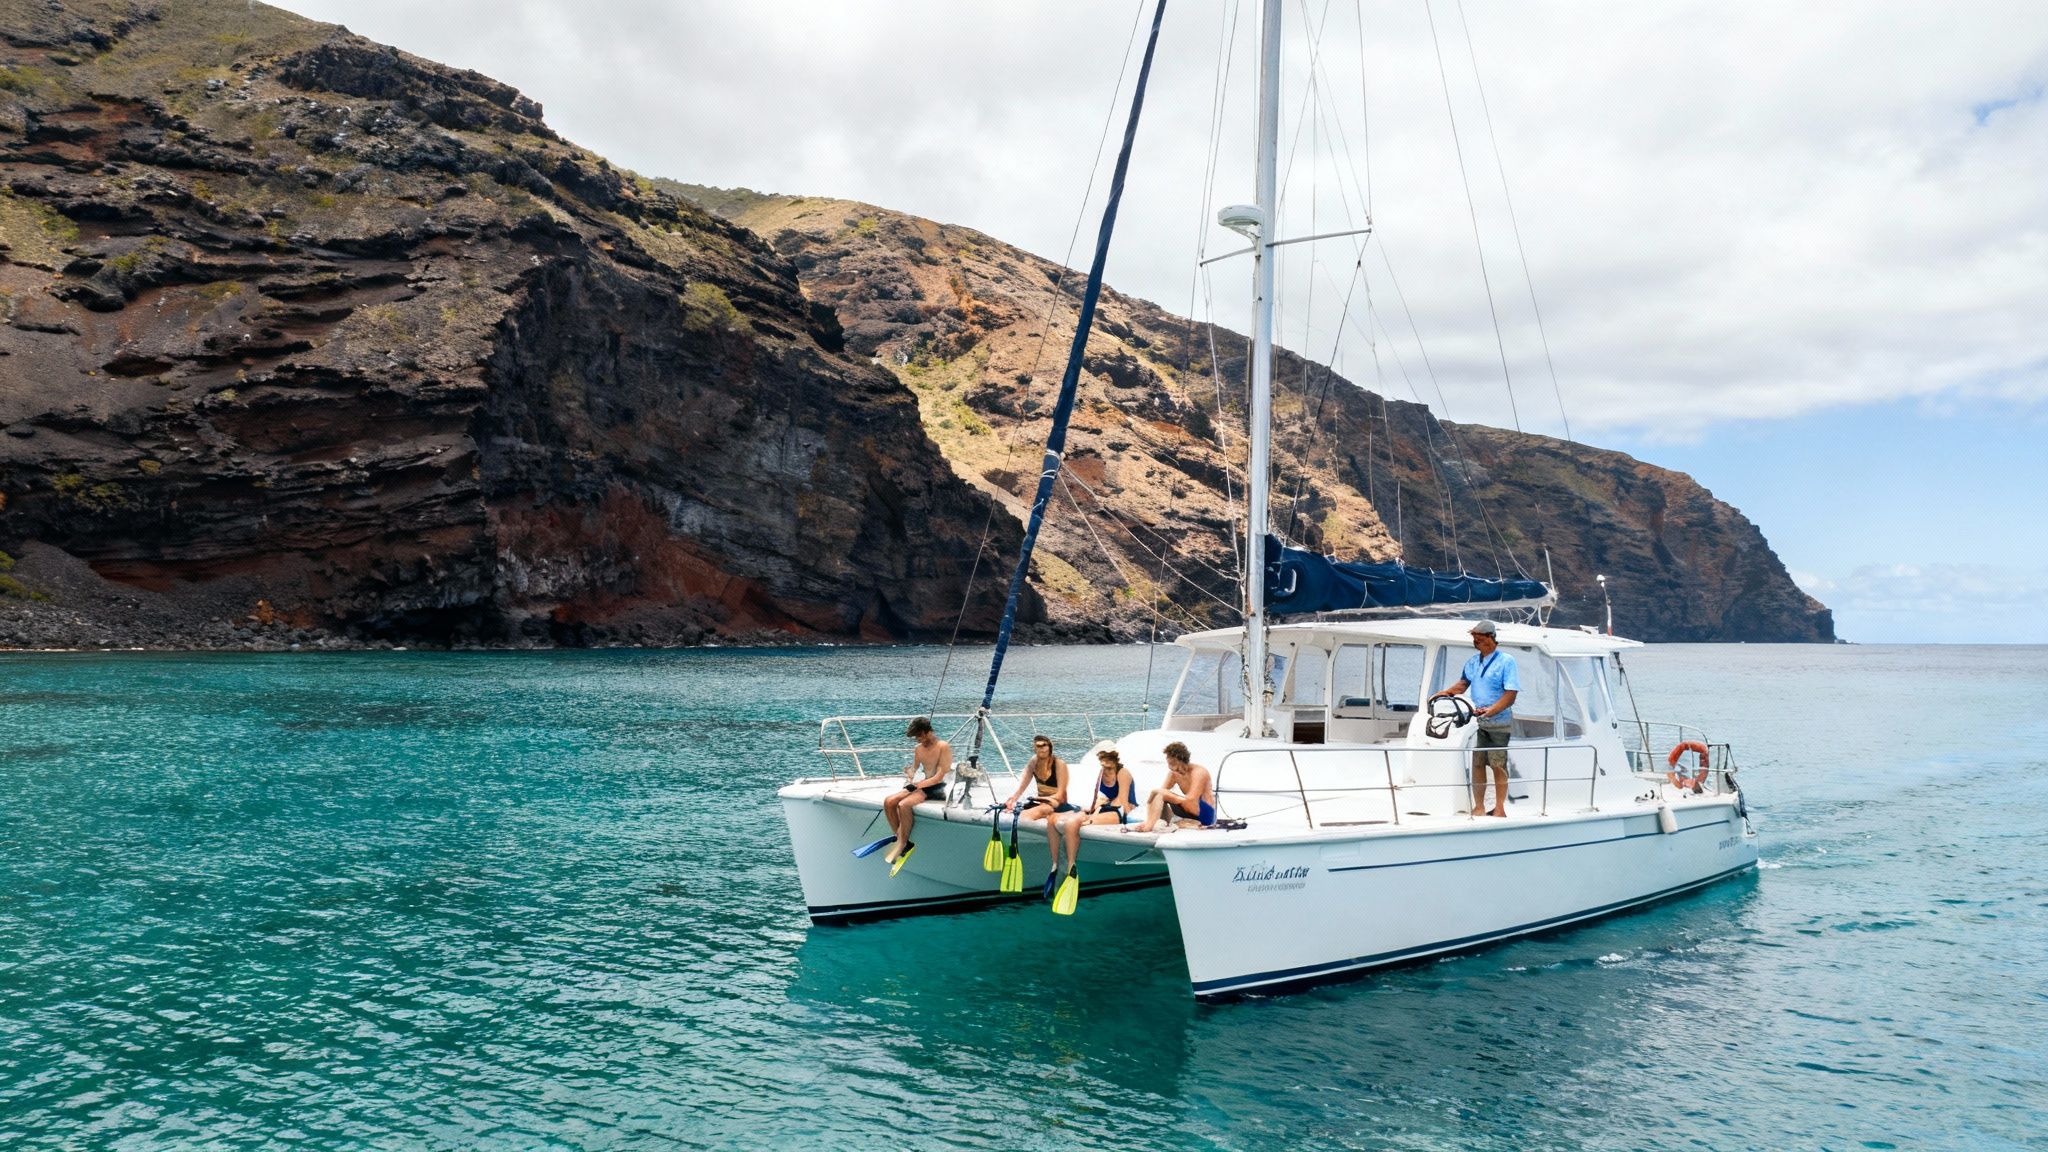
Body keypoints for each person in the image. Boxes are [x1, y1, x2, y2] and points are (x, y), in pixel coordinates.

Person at [1429, 620, 1519, 817]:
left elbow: (1511, 694)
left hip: (1499, 723)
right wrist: (1444, 693)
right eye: (1474, 640)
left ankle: (1500, 808)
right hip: (1479, 723)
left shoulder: (1506, 661)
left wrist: (1492, 710)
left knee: (1497, 764)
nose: (1476, 643)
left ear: (1490, 638)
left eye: (1479, 640)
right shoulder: (1472, 662)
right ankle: (1479, 806)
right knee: (1478, 763)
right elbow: (1462, 684)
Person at [1049, 746, 1138, 873]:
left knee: (1081, 822)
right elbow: (1098, 796)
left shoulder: (1123, 773)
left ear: (1115, 760)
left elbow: (1122, 800)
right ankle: (1057, 863)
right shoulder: (1101, 773)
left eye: (1108, 763)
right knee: (1057, 819)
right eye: (1102, 762)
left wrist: (1100, 808)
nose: (1105, 767)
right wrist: (1093, 808)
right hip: (1106, 807)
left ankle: (1071, 864)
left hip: (1121, 810)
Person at [883, 717, 951, 865]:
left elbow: (939, 776)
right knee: (889, 801)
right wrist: (910, 773)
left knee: (903, 805)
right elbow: (915, 768)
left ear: (926, 732)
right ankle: (900, 838)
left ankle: (902, 843)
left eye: (918, 736)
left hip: (938, 787)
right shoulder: (918, 749)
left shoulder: (942, 746)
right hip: (922, 785)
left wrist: (916, 786)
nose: (917, 740)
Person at [1137, 741, 1215, 832]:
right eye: (1169, 764)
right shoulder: (1174, 774)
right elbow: (1159, 794)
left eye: (1173, 763)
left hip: (1205, 813)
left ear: (1181, 759)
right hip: (1188, 809)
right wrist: (1150, 816)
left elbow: (1192, 799)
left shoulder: (1199, 772)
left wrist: (1169, 796)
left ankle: (1149, 826)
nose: (1171, 767)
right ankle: (1153, 823)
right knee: (1158, 795)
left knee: (1163, 794)